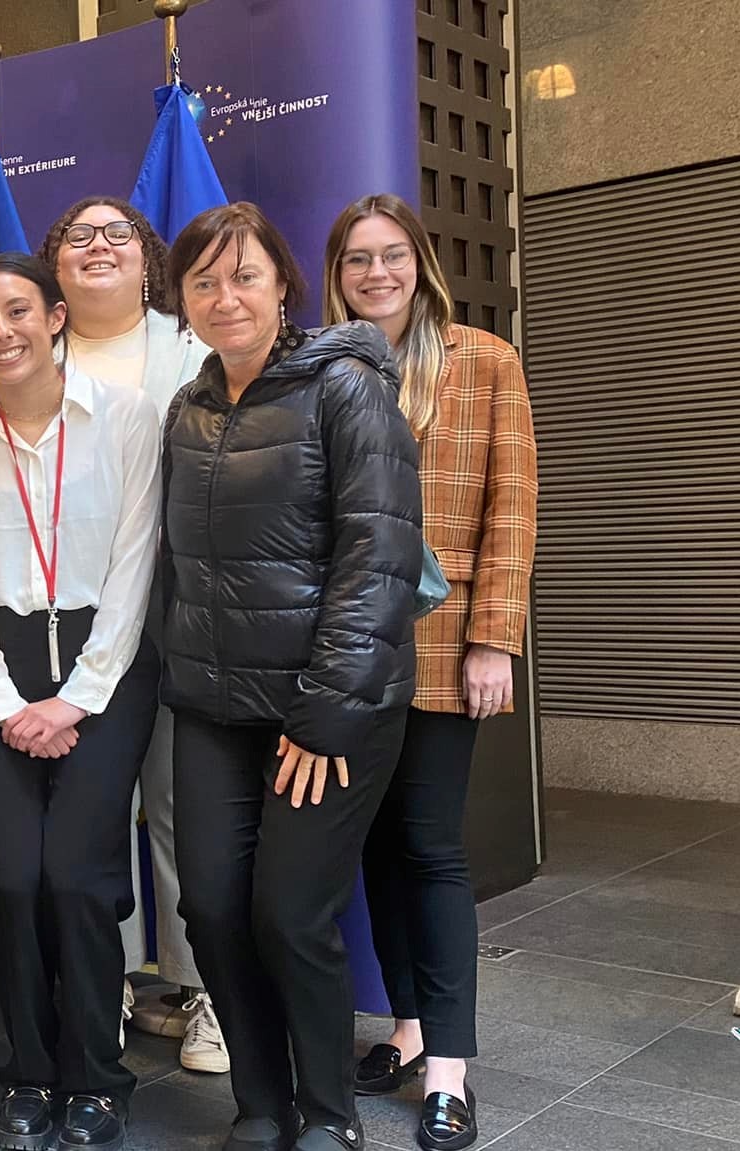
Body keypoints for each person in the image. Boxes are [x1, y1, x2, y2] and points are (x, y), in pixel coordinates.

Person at [159, 202, 423, 1151]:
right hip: (213, 706)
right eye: (204, 281)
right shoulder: (188, 409)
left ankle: (328, 1112)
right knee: (212, 908)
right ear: (181, 298)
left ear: (283, 287)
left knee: (290, 911)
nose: (225, 297)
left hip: (328, 707)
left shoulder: (346, 389)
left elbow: (379, 559)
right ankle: (262, 1104)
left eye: (245, 276)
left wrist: (320, 718)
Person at [0, 253, 163, 1151]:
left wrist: (80, 697)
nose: (1, 333)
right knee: (13, 878)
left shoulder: (128, 416)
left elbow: (139, 562)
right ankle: (28, 1068)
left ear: (56, 316)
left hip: (108, 662)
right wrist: (3, 699)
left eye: (17, 311)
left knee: (78, 877)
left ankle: (98, 1073)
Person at [326, 194, 535, 1151]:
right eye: (357, 260)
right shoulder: (322, 371)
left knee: (431, 846)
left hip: (451, 645)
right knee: (371, 845)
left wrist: (494, 634)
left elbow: (513, 506)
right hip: (351, 651)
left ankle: (449, 1068)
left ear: (420, 264)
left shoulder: (484, 360)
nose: (376, 274)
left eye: (391, 256)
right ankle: (407, 1028)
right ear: (337, 274)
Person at [38, 196, 222, 1074]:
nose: (99, 246)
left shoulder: (195, 347)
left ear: (149, 260)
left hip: (186, 614)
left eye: (118, 234)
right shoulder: (31, 351)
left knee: (189, 804)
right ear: (55, 264)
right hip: (70, 621)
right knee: (92, 805)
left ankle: (203, 991)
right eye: (80, 236)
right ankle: (100, 979)